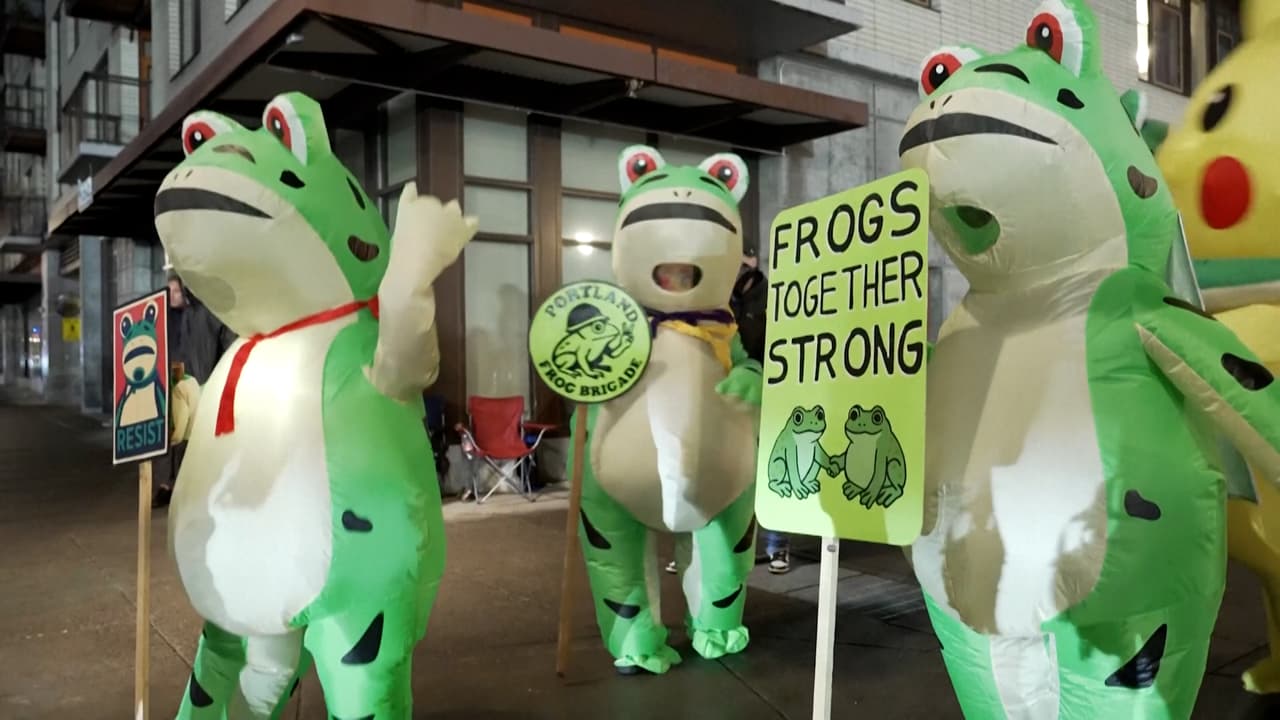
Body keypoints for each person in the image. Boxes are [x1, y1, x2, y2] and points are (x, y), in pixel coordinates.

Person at [665, 248, 793, 574]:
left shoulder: (772, 300)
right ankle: (692, 544)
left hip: (763, 395)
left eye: (740, 264)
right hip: (717, 398)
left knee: (765, 471)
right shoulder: (717, 300)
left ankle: (777, 546)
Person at [153, 274, 237, 508]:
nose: (172, 296)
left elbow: (218, 347)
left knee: (188, 437)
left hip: (197, 382)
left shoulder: (202, 314)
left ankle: (181, 486)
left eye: (176, 291)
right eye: (170, 291)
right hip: (177, 383)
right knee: (174, 435)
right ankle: (167, 485)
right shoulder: (177, 317)